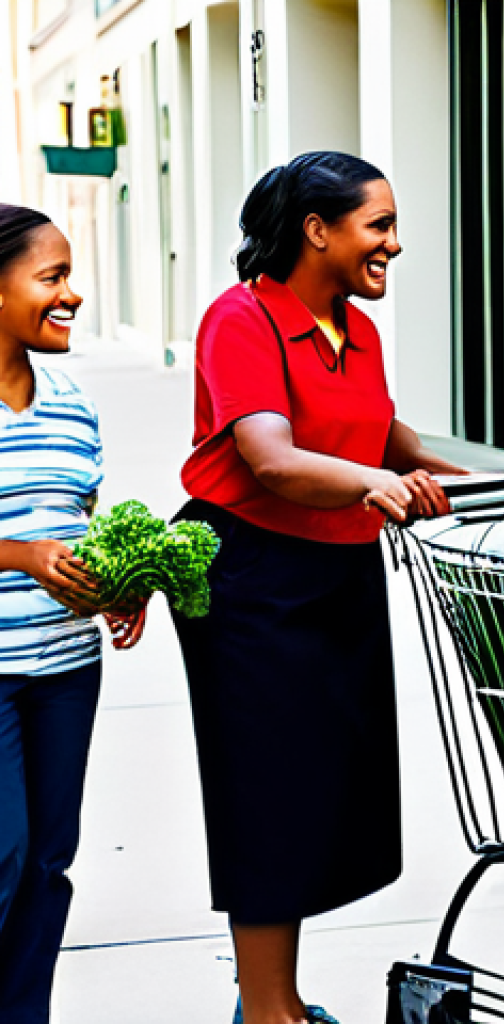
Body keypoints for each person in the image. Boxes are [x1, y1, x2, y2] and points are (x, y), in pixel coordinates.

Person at [170, 151, 466, 1024]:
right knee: (267, 791)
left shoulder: (355, 329)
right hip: (250, 577)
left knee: (320, 789)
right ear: (316, 231)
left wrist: (480, 479)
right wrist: (377, 485)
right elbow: (271, 459)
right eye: (379, 225)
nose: (394, 244)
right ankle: (269, 1012)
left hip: (339, 567)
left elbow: (383, 433)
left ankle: (274, 997)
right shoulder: (242, 318)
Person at [0, 204, 145, 1023]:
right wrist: (21, 556)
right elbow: (34, 545)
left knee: (48, 862)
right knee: (4, 854)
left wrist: (118, 586)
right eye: (52, 278)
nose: (72, 295)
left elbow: (77, 522)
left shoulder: (71, 403)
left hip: (66, 670)